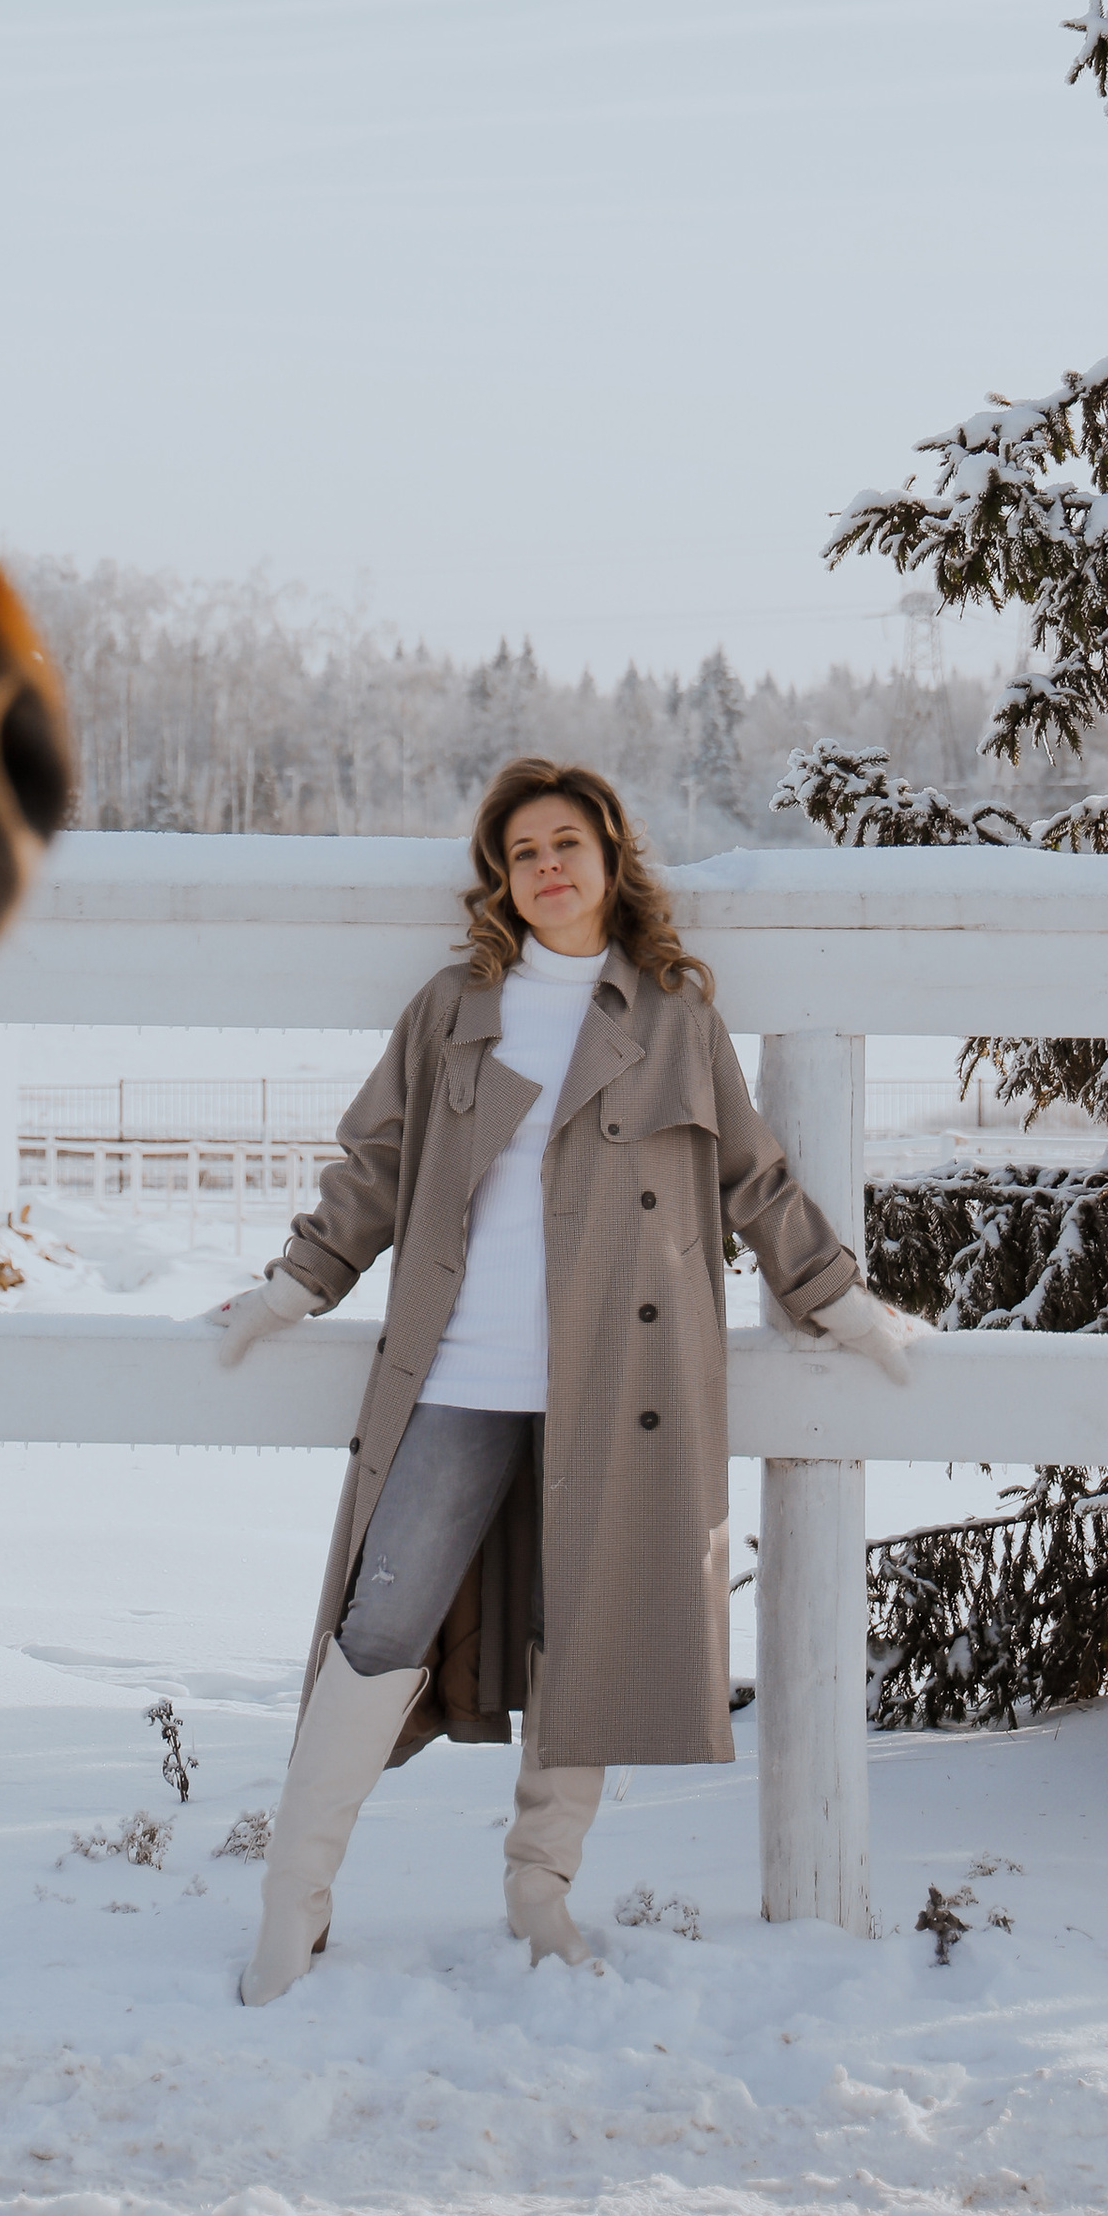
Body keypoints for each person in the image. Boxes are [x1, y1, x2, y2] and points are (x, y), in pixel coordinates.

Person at [200, 755, 922, 2005]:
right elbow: (372, 1171)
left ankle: (541, 1897)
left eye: (565, 846)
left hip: (624, 1377)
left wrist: (840, 1300)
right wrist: (292, 1286)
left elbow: (751, 1179)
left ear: (607, 857)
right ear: (504, 878)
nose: (545, 869)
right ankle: (292, 1902)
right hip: (464, 1373)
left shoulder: (673, 1015)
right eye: (522, 852)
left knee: (587, 1642)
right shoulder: (453, 1010)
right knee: (379, 1625)